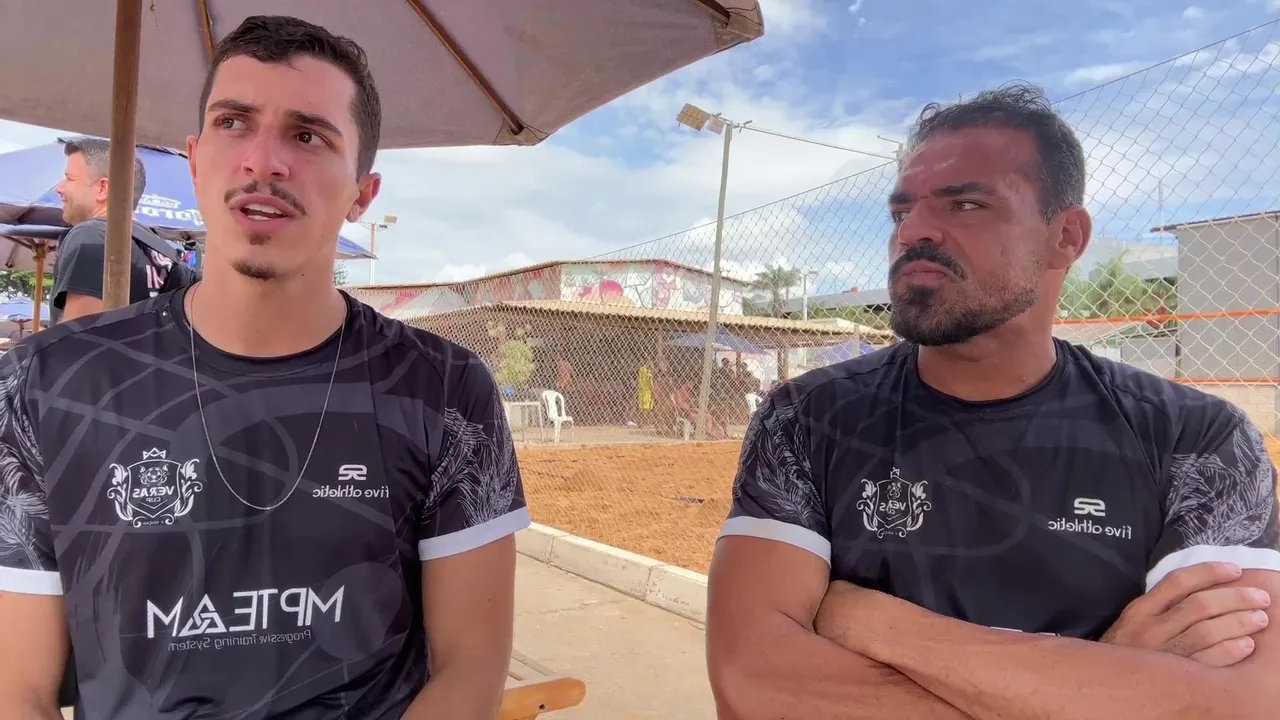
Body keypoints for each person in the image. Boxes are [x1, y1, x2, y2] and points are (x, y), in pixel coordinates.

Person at [0, 15, 527, 720]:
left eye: (308, 136)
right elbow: (17, 687)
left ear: (362, 194)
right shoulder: (41, 387)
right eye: (234, 122)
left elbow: (472, 666)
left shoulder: (446, 392)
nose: (262, 161)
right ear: (195, 159)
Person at [707, 83, 1280, 719]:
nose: (914, 232)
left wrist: (871, 622)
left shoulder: (1196, 440)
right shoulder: (807, 419)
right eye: (902, 212)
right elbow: (752, 683)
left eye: (967, 204)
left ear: (1066, 236)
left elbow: (1244, 704)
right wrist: (1095, 683)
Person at [50, 137, 195, 323]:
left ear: (103, 188)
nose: (59, 188)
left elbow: (80, 335)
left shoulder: (91, 236)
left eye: (69, 178)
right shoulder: (164, 254)